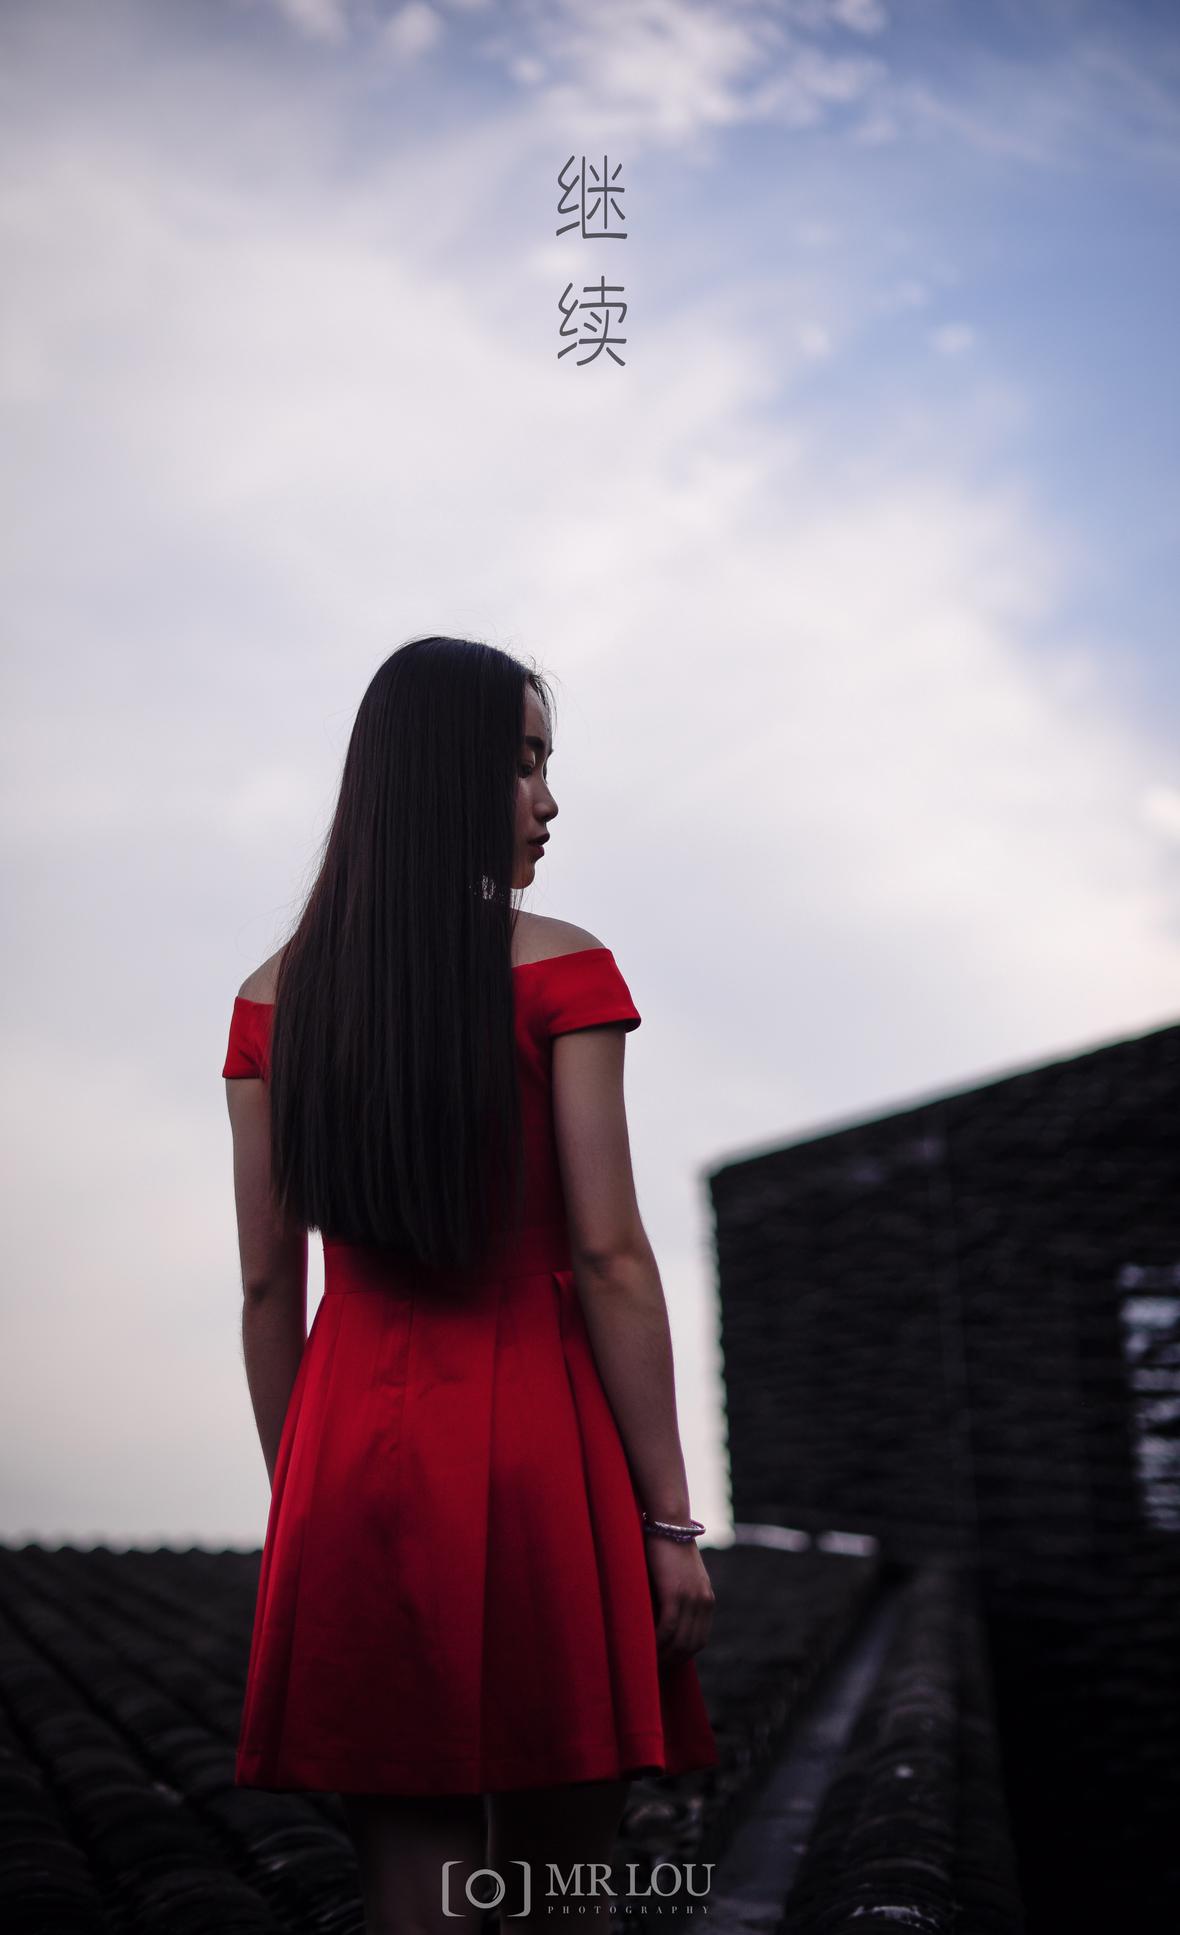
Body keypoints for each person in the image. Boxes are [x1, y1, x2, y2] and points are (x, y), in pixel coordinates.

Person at [221, 635, 717, 1935]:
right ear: (449, 776)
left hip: (349, 1461)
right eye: (523, 764)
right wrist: (670, 1524)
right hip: (542, 1451)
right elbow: (610, 1256)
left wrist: (302, 1506)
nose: (548, 800)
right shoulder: (561, 969)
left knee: (411, 1880)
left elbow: (269, 1293)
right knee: (561, 1877)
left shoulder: (270, 1005)